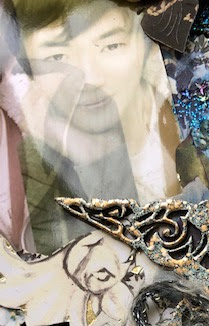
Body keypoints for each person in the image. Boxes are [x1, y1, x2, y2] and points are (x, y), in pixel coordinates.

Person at [0, 0, 180, 254]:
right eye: (57, 57)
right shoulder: (38, 159)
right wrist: (86, 158)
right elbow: (72, 270)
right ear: (29, 70)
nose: (91, 78)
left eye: (111, 46)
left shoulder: (195, 105)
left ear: (144, 43)